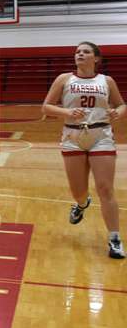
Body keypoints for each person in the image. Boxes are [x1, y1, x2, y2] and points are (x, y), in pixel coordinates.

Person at [42, 41, 126, 259]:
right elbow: (46, 107)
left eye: (85, 51)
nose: (80, 54)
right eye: (77, 52)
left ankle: (115, 239)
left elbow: (121, 104)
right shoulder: (64, 79)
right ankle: (81, 203)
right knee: (78, 191)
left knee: (105, 189)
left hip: (101, 136)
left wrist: (119, 112)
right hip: (73, 136)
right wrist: (67, 113)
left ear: (96, 58)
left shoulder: (106, 81)